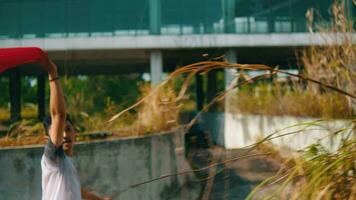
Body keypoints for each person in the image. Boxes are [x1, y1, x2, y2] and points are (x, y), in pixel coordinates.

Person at [41, 56, 110, 200]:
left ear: (75, 133)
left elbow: (81, 193)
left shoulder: (67, 164)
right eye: (60, 131)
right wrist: (53, 74)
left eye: (68, 129)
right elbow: (58, 114)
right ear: (47, 139)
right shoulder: (52, 158)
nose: (65, 135)